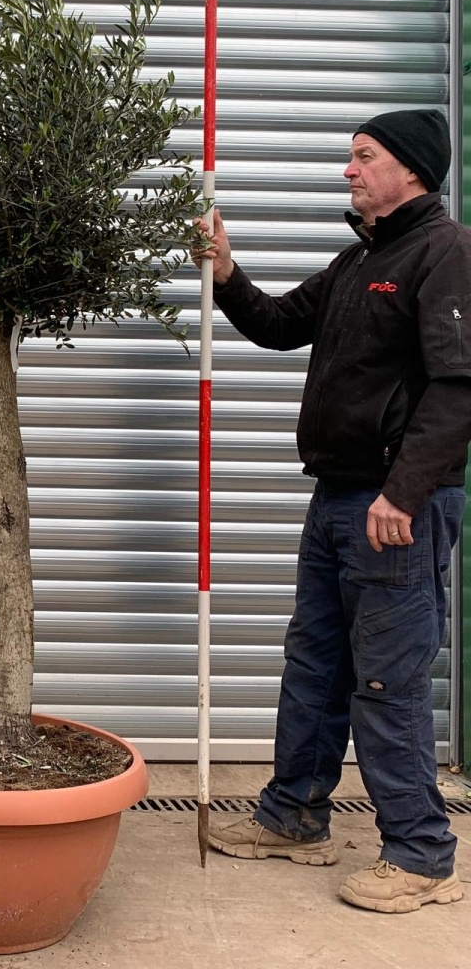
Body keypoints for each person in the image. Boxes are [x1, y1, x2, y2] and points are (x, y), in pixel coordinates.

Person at [193, 108, 470, 913]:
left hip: (394, 508)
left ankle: (421, 856)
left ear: (410, 171)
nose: (348, 170)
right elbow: (280, 326)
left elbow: (458, 389)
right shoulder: (362, 260)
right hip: (339, 498)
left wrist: (404, 493)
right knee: (315, 664)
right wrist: (227, 273)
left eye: (363, 157)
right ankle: (294, 818)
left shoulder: (444, 254)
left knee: (386, 680)